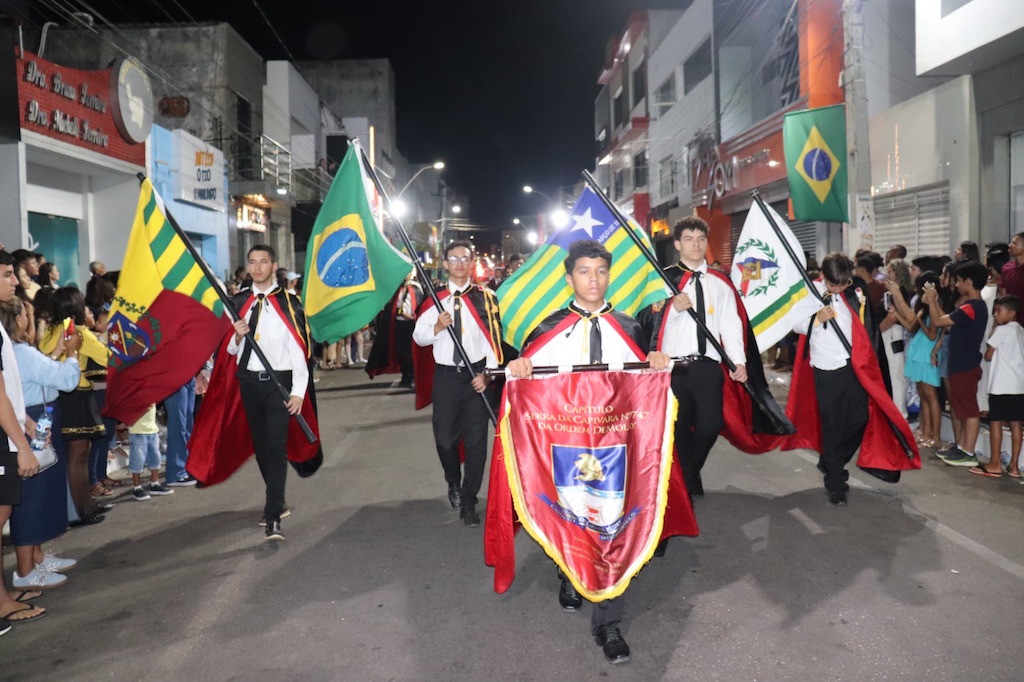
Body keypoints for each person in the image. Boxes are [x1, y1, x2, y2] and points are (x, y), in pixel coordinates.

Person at [504, 239, 674, 665]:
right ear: (569, 278)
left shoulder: (629, 328)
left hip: (617, 451)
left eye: (600, 271)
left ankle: (608, 623)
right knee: (568, 518)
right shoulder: (548, 328)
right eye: (584, 271)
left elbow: (648, 390)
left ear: (609, 275)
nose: (593, 279)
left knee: (611, 527)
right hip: (565, 450)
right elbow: (526, 389)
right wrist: (519, 367)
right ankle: (568, 570)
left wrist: (656, 363)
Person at [786, 252, 919, 505]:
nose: (838, 288)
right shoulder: (809, 291)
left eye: (844, 283)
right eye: (834, 284)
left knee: (859, 417)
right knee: (832, 424)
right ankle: (836, 481)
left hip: (853, 365)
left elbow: (867, 324)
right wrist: (816, 319)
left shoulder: (855, 291)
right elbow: (794, 324)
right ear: (824, 277)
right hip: (824, 368)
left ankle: (831, 459)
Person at [641, 216, 746, 496]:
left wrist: (738, 360)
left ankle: (689, 470)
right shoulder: (663, 280)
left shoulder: (720, 281)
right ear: (677, 244)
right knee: (677, 429)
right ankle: (686, 481)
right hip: (673, 369)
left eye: (700, 239)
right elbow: (647, 325)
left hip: (708, 366)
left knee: (710, 425)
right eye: (688, 239)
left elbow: (730, 322)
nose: (696, 245)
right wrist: (671, 309)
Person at [413, 240, 503, 527]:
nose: (460, 263)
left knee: (477, 444)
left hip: (477, 377)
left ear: (472, 262)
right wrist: (438, 326)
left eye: (465, 258)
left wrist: (488, 375)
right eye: (454, 258)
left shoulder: (486, 298)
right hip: (447, 377)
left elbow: (494, 341)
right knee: (445, 440)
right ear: (446, 263)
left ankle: (468, 499)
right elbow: (419, 337)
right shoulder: (435, 300)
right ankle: (452, 480)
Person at [226, 245, 310, 541]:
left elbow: (299, 351)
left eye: (263, 262)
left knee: (275, 446)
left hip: (280, 384)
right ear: (247, 267)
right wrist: (237, 336)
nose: (258, 267)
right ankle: (278, 499)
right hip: (248, 382)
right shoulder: (238, 302)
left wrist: (298, 392)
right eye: (252, 262)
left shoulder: (290, 303)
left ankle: (273, 514)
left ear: (274, 266)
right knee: (261, 447)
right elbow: (230, 351)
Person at [1, 297, 80, 591]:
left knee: (35, 494)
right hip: (31, 420)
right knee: (32, 497)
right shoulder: (21, 353)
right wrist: (71, 355)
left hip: (31, 417)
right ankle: (25, 569)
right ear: (20, 320)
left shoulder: (16, 353)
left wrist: (58, 351)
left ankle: (36, 558)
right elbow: (66, 380)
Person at [0, 251, 47, 625]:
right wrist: (23, 445)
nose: (15, 281)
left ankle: (3, 596)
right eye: (6, 275)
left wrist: (24, 421)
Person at [924, 260, 989, 467]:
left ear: (969, 282)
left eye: (959, 281)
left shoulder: (972, 307)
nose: (957, 285)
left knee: (968, 409)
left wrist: (933, 300)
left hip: (965, 366)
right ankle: (961, 447)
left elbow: (939, 322)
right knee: (961, 407)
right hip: (961, 364)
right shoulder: (972, 307)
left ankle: (968, 451)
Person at [972, 295, 1024, 478]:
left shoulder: (1002, 331)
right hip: (1018, 386)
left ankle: (995, 463)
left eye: (998, 311)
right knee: (1016, 423)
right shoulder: (1020, 330)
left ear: (1011, 313)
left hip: (1001, 385)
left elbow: (988, 355)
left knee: (996, 422)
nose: (995, 315)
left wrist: (994, 330)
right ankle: (1014, 466)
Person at [891, 272, 943, 448]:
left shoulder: (935, 310)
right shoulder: (924, 309)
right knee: (922, 395)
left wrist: (920, 319)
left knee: (931, 396)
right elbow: (911, 326)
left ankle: (935, 436)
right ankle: (925, 432)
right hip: (917, 354)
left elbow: (932, 334)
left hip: (927, 355)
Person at [127, 404, 174, 500]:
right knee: (137, 460)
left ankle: (155, 483)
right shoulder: (133, 392)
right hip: (137, 430)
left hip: (152, 429)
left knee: (155, 457)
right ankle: (137, 487)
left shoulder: (150, 392)